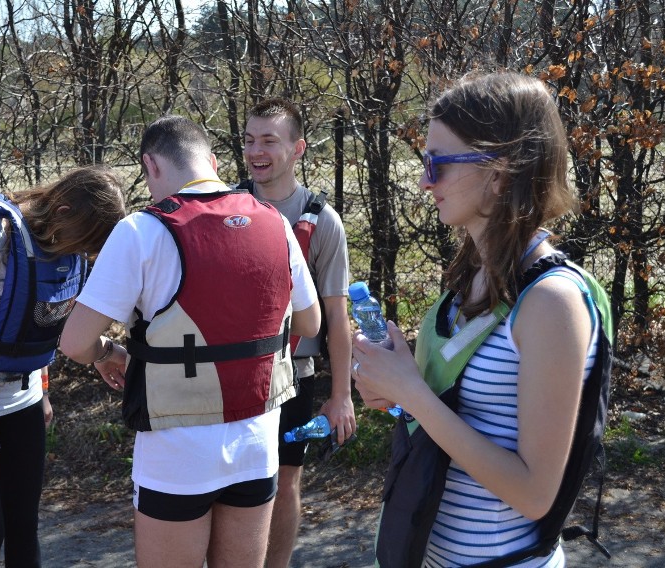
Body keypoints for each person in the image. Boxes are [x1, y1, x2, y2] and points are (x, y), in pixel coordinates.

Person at [351, 72, 607, 567]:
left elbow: (535, 493)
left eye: (438, 164)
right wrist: (394, 388)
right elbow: (455, 416)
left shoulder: (551, 300)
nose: (426, 181)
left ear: (500, 171)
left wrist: (414, 394)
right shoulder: (472, 275)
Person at [58, 115, 321, 568]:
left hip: (176, 450)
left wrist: (108, 353)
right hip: (256, 443)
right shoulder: (276, 222)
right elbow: (311, 322)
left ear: (151, 165)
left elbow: (75, 343)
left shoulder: (142, 230)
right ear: (213, 162)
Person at [0, 165, 126, 567]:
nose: (82, 254)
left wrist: (46, 391)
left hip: (24, 405)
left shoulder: (65, 248)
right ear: (64, 211)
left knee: (24, 527)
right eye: (84, 243)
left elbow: (43, 324)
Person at [240, 97, 355, 568]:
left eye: (269, 140)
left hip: (296, 376)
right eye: (249, 140)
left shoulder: (322, 220)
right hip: (233, 373)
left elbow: (337, 318)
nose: (256, 151)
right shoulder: (225, 207)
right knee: (235, 485)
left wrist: (341, 395)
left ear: (298, 148)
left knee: (286, 481)